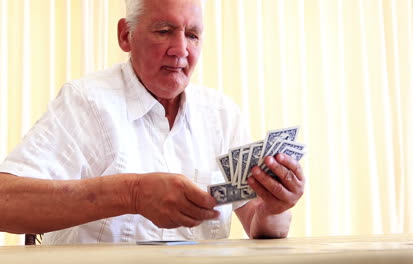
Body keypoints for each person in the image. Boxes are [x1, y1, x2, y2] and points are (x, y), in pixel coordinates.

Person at [0, 0, 304, 244]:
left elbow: (256, 224)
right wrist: (133, 194)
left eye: (193, 35)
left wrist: (273, 208)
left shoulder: (222, 113)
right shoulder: (86, 102)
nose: (181, 49)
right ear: (125, 35)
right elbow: (5, 202)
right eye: (163, 31)